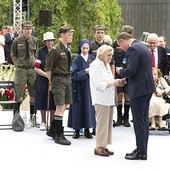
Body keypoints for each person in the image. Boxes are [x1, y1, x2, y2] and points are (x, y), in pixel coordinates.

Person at [116, 32, 155, 160]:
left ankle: (141, 152)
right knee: (143, 121)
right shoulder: (142, 46)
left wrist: (120, 71)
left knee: (139, 122)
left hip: (139, 90)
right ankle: (141, 148)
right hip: (146, 88)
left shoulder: (133, 48)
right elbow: (140, 70)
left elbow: (131, 70)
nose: (122, 49)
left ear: (123, 41)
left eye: (120, 46)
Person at [89, 44, 125, 157]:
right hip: (100, 98)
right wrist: (114, 83)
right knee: (102, 124)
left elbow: (109, 79)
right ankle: (99, 147)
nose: (110, 57)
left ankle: (104, 145)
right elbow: (99, 84)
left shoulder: (107, 64)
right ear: (101, 55)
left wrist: (117, 81)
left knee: (108, 123)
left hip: (108, 98)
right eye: (108, 55)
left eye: (111, 55)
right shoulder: (95, 65)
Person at [45, 23, 74, 145]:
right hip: (58, 79)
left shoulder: (67, 48)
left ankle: (52, 129)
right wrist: (51, 82)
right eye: (69, 34)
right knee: (60, 106)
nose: (71, 36)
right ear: (62, 35)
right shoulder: (56, 49)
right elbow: (48, 68)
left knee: (66, 104)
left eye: (71, 34)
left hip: (67, 78)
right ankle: (59, 134)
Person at [11, 21, 38, 127]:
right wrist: (18, 64)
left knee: (33, 93)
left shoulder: (34, 40)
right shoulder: (17, 41)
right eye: (26, 28)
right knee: (18, 93)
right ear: (22, 29)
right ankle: (16, 117)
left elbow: (35, 55)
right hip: (21, 69)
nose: (28, 30)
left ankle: (33, 117)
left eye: (30, 28)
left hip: (31, 70)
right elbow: (13, 55)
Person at [67, 39, 96, 139]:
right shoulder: (76, 60)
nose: (85, 50)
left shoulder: (92, 58)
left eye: (87, 48)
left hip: (89, 87)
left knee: (88, 107)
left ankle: (88, 129)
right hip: (78, 87)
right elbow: (74, 75)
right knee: (78, 108)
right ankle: (77, 130)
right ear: (80, 48)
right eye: (83, 48)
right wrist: (85, 72)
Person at [33, 32, 56, 131]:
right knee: (43, 99)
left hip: (54, 79)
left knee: (53, 100)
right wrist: (46, 75)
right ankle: (43, 121)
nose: (50, 42)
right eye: (48, 41)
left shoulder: (56, 51)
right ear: (45, 42)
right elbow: (36, 67)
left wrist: (52, 76)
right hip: (42, 79)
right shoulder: (40, 52)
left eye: (51, 40)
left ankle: (52, 122)